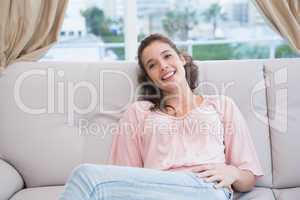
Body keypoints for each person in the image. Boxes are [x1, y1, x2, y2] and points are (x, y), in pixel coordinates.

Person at [60, 33, 264, 200]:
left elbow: (248, 177)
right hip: (151, 190)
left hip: (205, 188)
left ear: (182, 59)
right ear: (149, 77)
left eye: (167, 56)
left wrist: (233, 173)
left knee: (85, 176)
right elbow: (122, 176)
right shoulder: (139, 112)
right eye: (152, 65)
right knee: (86, 177)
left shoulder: (221, 104)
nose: (163, 66)